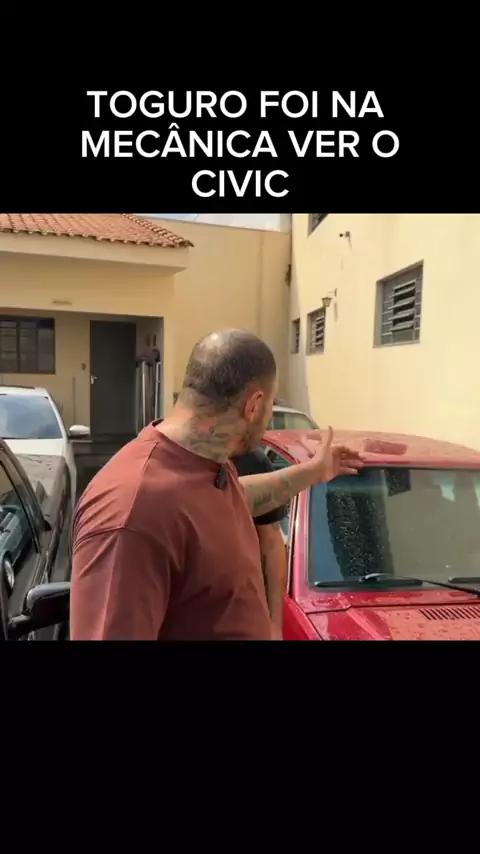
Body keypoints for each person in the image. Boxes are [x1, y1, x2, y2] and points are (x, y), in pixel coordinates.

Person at [70, 329, 362, 640]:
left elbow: (236, 499)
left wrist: (314, 472)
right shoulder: (131, 513)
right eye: (271, 404)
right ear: (254, 405)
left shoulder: (208, 468)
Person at [233, 450, 287, 640]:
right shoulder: (168, 459)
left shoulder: (252, 461)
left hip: (240, 614)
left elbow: (271, 543)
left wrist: (274, 625)